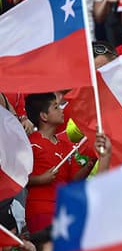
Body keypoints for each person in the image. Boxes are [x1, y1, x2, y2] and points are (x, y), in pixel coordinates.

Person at [25, 93, 94, 233]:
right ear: (44, 116)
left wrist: (93, 160)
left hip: (64, 211)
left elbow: (74, 179)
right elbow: (16, 179)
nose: (61, 110)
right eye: (56, 107)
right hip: (40, 209)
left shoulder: (67, 146)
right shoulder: (30, 143)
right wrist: (39, 179)